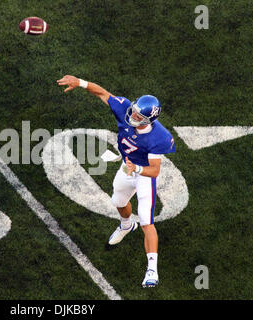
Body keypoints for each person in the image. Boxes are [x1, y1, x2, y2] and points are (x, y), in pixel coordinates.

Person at [57, 75, 176, 288]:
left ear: (148, 120)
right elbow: (103, 93)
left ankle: (152, 270)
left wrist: (136, 168)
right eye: (135, 110)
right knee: (118, 202)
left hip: (143, 174)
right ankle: (126, 225)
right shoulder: (126, 110)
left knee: (147, 222)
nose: (133, 115)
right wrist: (80, 83)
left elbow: (155, 170)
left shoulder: (159, 137)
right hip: (127, 166)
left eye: (139, 115)